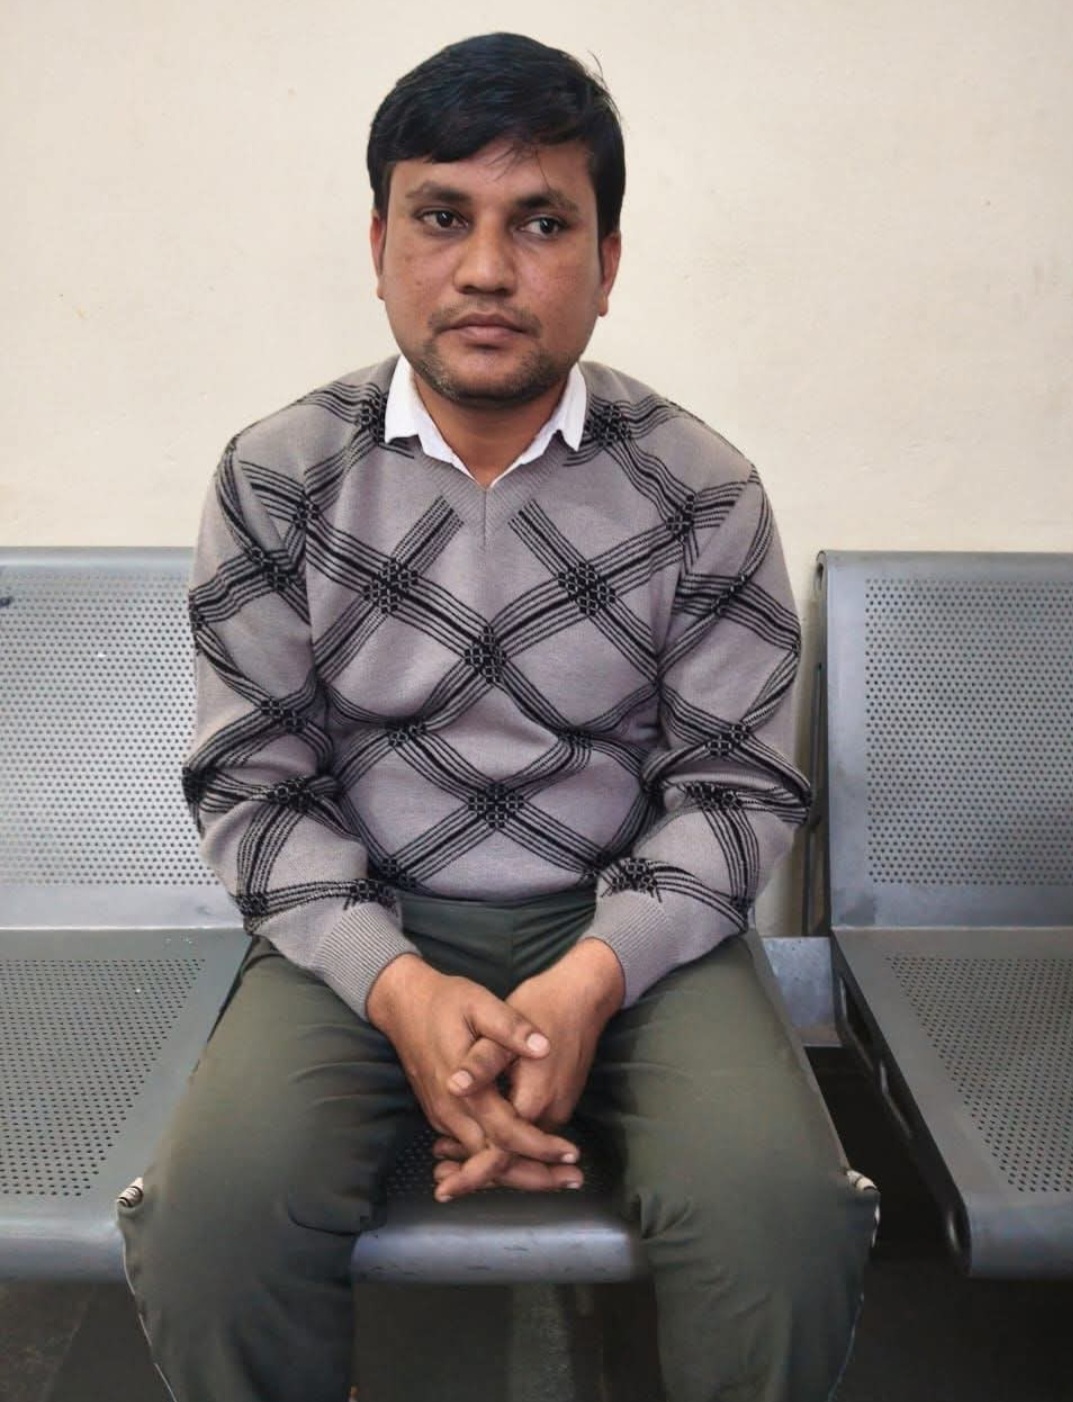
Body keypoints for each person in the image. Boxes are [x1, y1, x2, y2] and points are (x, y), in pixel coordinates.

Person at [118, 31, 878, 1402]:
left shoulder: (701, 486)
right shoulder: (278, 478)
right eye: (439, 217)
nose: (483, 268)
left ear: (607, 261)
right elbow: (256, 785)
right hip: (363, 927)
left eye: (539, 222)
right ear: (378, 244)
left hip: (634, 931)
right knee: (210, 1228)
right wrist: (399, 987)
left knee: (784, 1222)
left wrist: (588, 980)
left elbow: (735, 792)